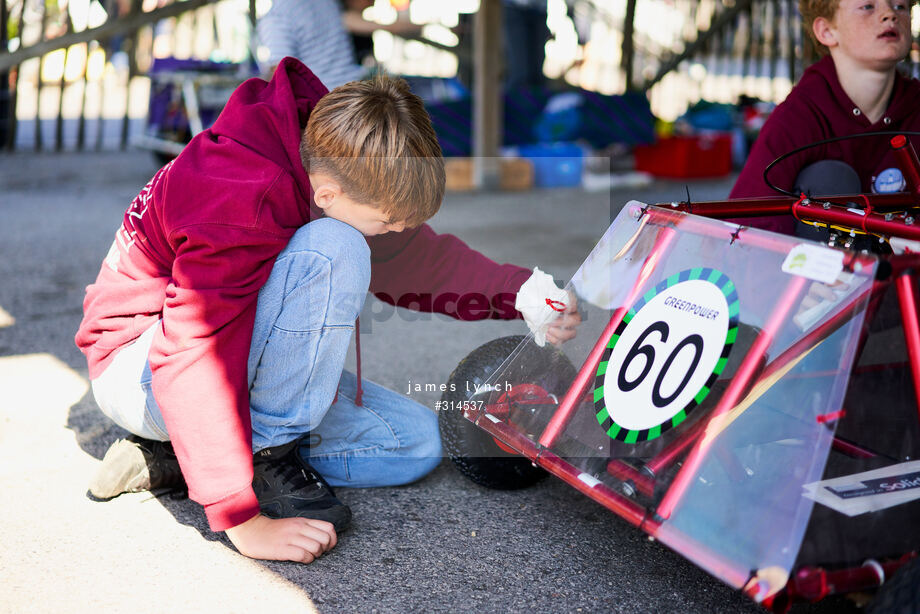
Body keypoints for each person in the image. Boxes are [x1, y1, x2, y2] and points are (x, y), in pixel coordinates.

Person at [76, 57, 580, 564]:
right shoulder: (238, 195)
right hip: (142, 370)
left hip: (230, 358)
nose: (392, 230)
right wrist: (240, 519)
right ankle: (259, 456)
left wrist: (523, 292)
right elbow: (194, 352)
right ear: (327, 194)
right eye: (386, 220)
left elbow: (414, 258)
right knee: (336, 248)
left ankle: (178, 455)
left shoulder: (335, 155)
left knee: (415, 444)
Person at [729, 0, 919, 236]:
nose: (890, 14)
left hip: (904, 266)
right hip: (816, 267)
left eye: (900, 6)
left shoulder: (915, 108)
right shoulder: (799, 115)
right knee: (830, 178)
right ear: (827, 31)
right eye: (868, 6)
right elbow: (747, 224)